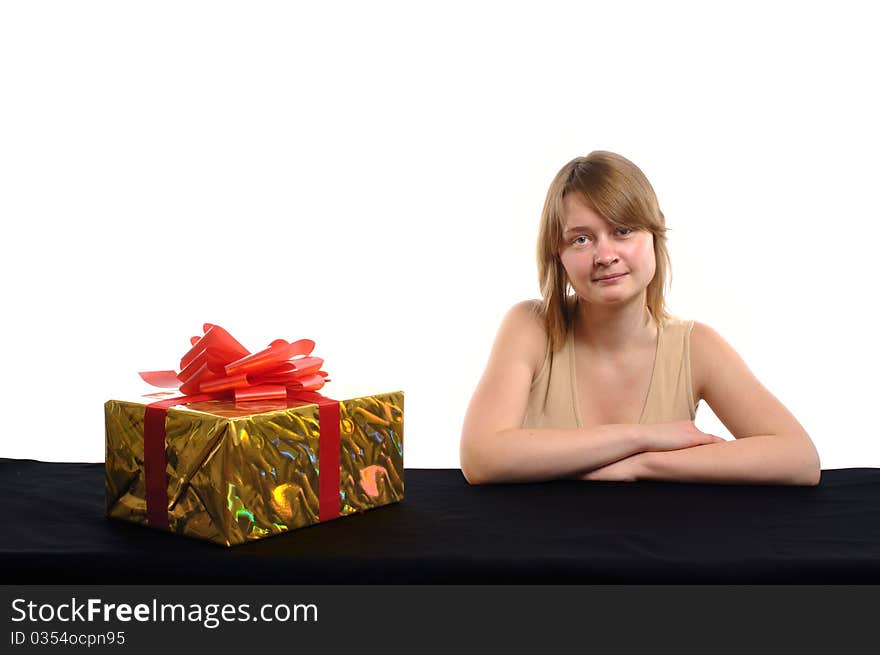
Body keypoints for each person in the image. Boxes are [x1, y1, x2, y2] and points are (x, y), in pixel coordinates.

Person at [459, 151, 820, 486]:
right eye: (581, 239)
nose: (605, 255)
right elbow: (481, 458)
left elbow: (799, 459)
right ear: (559, 253)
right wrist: (642, 436)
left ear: (655, 233)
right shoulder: (530, 326)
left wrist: (641, 464)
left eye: (623, 230)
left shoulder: (695, 346)